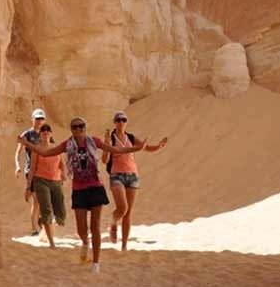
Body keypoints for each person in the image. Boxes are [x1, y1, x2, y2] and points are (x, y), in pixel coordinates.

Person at [19, 116, 146, 274]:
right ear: (71, 129)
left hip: (95, 187)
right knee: (81, 230)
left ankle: (96, 263)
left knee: (95, 227)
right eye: (75, 127)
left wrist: (136, 148)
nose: (78, 129)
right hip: (79, 189)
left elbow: (117, 150)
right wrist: (27, 144)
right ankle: (85, 242)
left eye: (81, 126)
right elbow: (46, 153)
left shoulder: (94, 141)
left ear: (85, 127)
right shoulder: (67, 144)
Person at [101, 110, 168, 251]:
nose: (121, 122)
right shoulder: (111, 138)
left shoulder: (130, 137)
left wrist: (159, 146)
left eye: (123, 120)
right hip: (116, 175)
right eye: (118, 120)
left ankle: (124, 246)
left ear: (126, 122)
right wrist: (106, 144)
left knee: (128, 212)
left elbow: (146, 148)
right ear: (114, 122)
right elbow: (104, 160)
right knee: (122, 208)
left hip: (132, 175)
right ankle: (113, 222)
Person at [25, 123, 66, 248]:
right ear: (40, 134)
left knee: (61, 214)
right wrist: (28, 187)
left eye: (48, 130)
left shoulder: (56, 148)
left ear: (51, 133)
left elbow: (61, 164)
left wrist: (63, 174)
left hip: (56, 181)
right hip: (41, 181)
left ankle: (46, 227)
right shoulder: (36, 149)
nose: (45, 132)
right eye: (43, 130)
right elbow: (32, 169)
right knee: (46, 210)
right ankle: (51, 242)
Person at [14, 108, 46, 235]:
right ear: (32, 119)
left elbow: (51, 149)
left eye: (41, 118)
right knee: (36, 200)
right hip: (30, 170)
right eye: (37, 118)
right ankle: (34, 228)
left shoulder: (46, 133)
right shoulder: (27, 134)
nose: (39, 121)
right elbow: (17, 152)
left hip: (43, 170)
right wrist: (17, 166)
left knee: (41, 200)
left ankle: (39, 220)